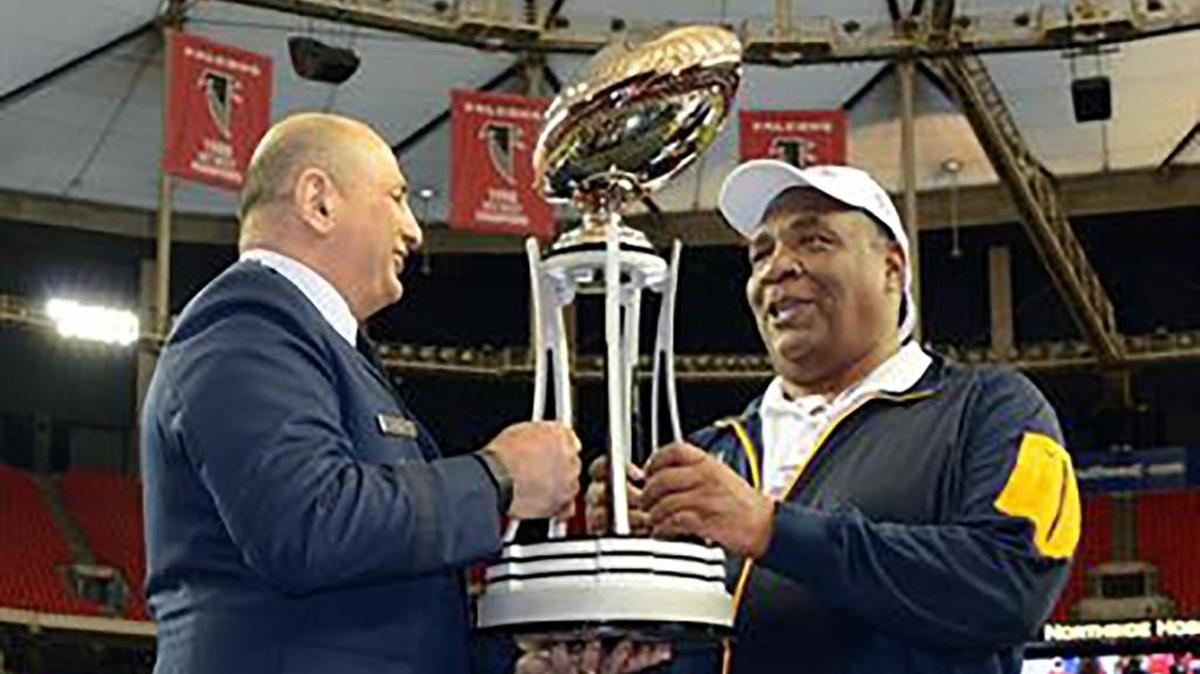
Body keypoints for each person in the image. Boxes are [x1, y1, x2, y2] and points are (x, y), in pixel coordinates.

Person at [588, 159, 1081, 674]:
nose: (776, 267)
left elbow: (1010, 584)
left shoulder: (990, 408)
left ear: (892, 269)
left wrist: (770, 528)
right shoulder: (711, 453)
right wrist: (630, 574)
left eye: (814, 241)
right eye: (761, 254)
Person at [140, 113, 587, 674]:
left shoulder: (317, 345)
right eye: (396, 198)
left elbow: (380, 610)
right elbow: (308, 523)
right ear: (318, 201)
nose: (414, 230)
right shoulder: (246, 324)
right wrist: (497, 477)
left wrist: (514, 666)